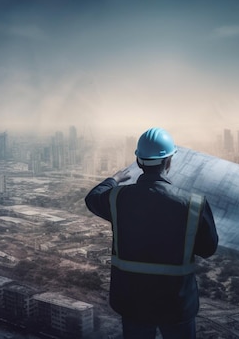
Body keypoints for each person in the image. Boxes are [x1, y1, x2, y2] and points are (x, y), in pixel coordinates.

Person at [84, 127, 219, 339]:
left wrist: (114, 179)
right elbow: (208, 249)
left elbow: (92, 198)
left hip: (133, 302)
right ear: (168, 162)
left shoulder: (118, 198)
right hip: (177, 302)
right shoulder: (193, 203)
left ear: (138, 162)